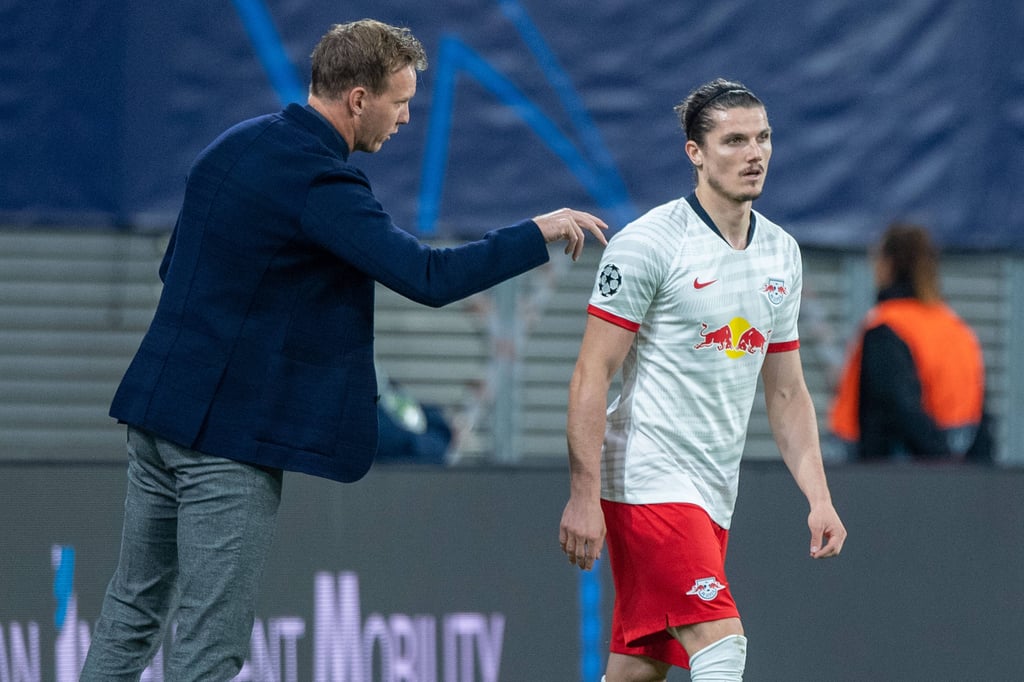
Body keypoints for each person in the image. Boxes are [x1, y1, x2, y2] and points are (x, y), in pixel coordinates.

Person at [80, 19, 607, 681]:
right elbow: (428, 277)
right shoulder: (321, 184)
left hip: (154, 414)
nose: (409, 117)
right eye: (401, 100)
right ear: (358, 99)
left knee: (131, 615)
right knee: (209, 650)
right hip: (223, 442)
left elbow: (177, 274)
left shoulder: (233, 145)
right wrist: (538, 231)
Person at [557, 78, 847, 682]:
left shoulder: (782, 253)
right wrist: (584, 496)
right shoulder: (648, 244)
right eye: (734, 140)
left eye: (763, 138)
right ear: (694, 152)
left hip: (714, 491)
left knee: (638, 669)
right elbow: (591, 374)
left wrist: (819, 496)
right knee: (721, 643)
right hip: (646, 479)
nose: (754, 153)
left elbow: (787, 391)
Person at [828, 223, 990, 462]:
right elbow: (981, 414)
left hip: (897, 469)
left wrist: (940, 460)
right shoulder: (957, 329)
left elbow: (899, 410)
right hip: (958, 461)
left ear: (889, 264)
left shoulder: (887, 327)